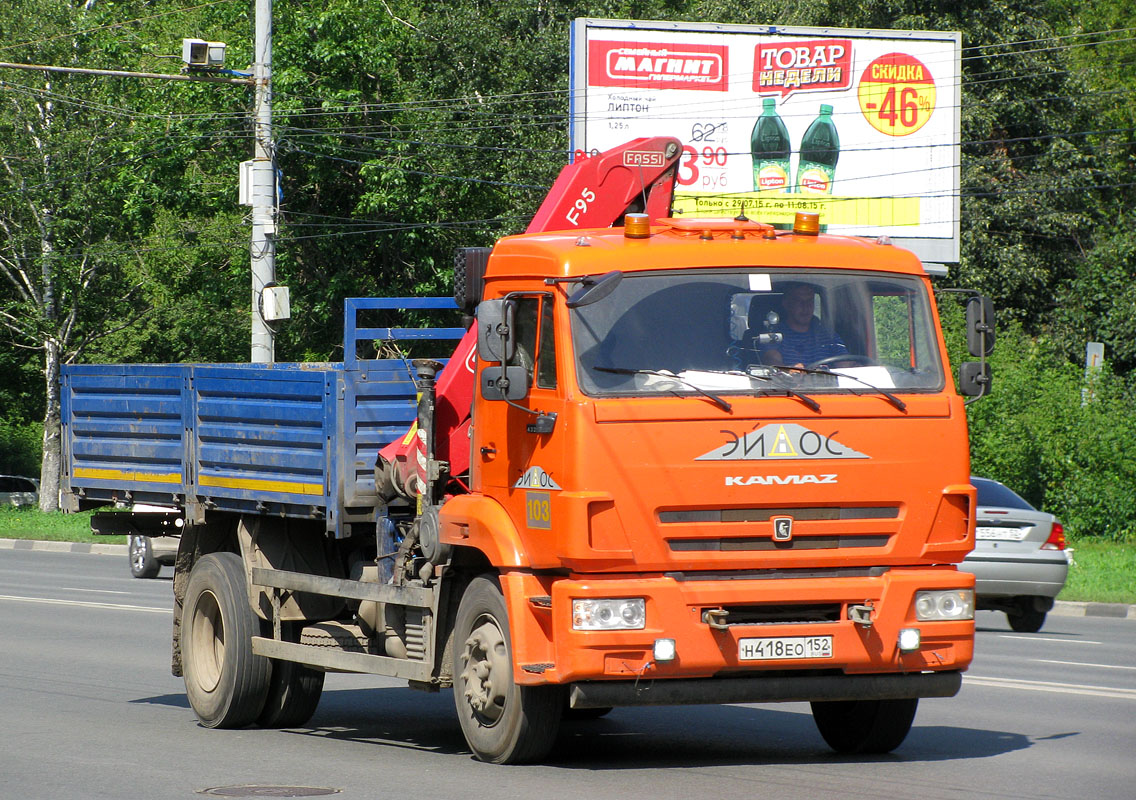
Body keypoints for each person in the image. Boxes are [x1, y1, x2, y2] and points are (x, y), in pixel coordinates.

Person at [760, 283, 847, 368]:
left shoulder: (828, 334)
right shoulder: (774, 335)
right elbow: (771, 359)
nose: (805, 307)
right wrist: (788, 371)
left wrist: (853, 366)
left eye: (809, 301)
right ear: (786, 304)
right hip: (785, 382)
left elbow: (844, 362)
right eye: (799, 301)